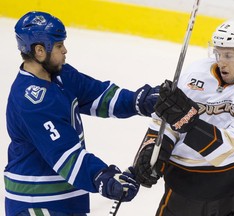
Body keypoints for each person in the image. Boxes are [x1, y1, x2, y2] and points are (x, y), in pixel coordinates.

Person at [5, 11, 160, 216]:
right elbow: (67, 156)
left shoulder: (62, 75)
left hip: (63, 198)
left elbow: (101, 97)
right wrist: (103, 177)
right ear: (40, 51)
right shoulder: (31, 100)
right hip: (37, 202)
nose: (65, 50)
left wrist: (142, 101)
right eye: (59, 46)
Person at [134, 19, 234, 215]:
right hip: (185, 188)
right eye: (218, 53)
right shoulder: (195, 72)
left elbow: (230, 152)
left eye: (228, 55)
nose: (220, 61)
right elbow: (167, 118)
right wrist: (154, 149)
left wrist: (190, 123)